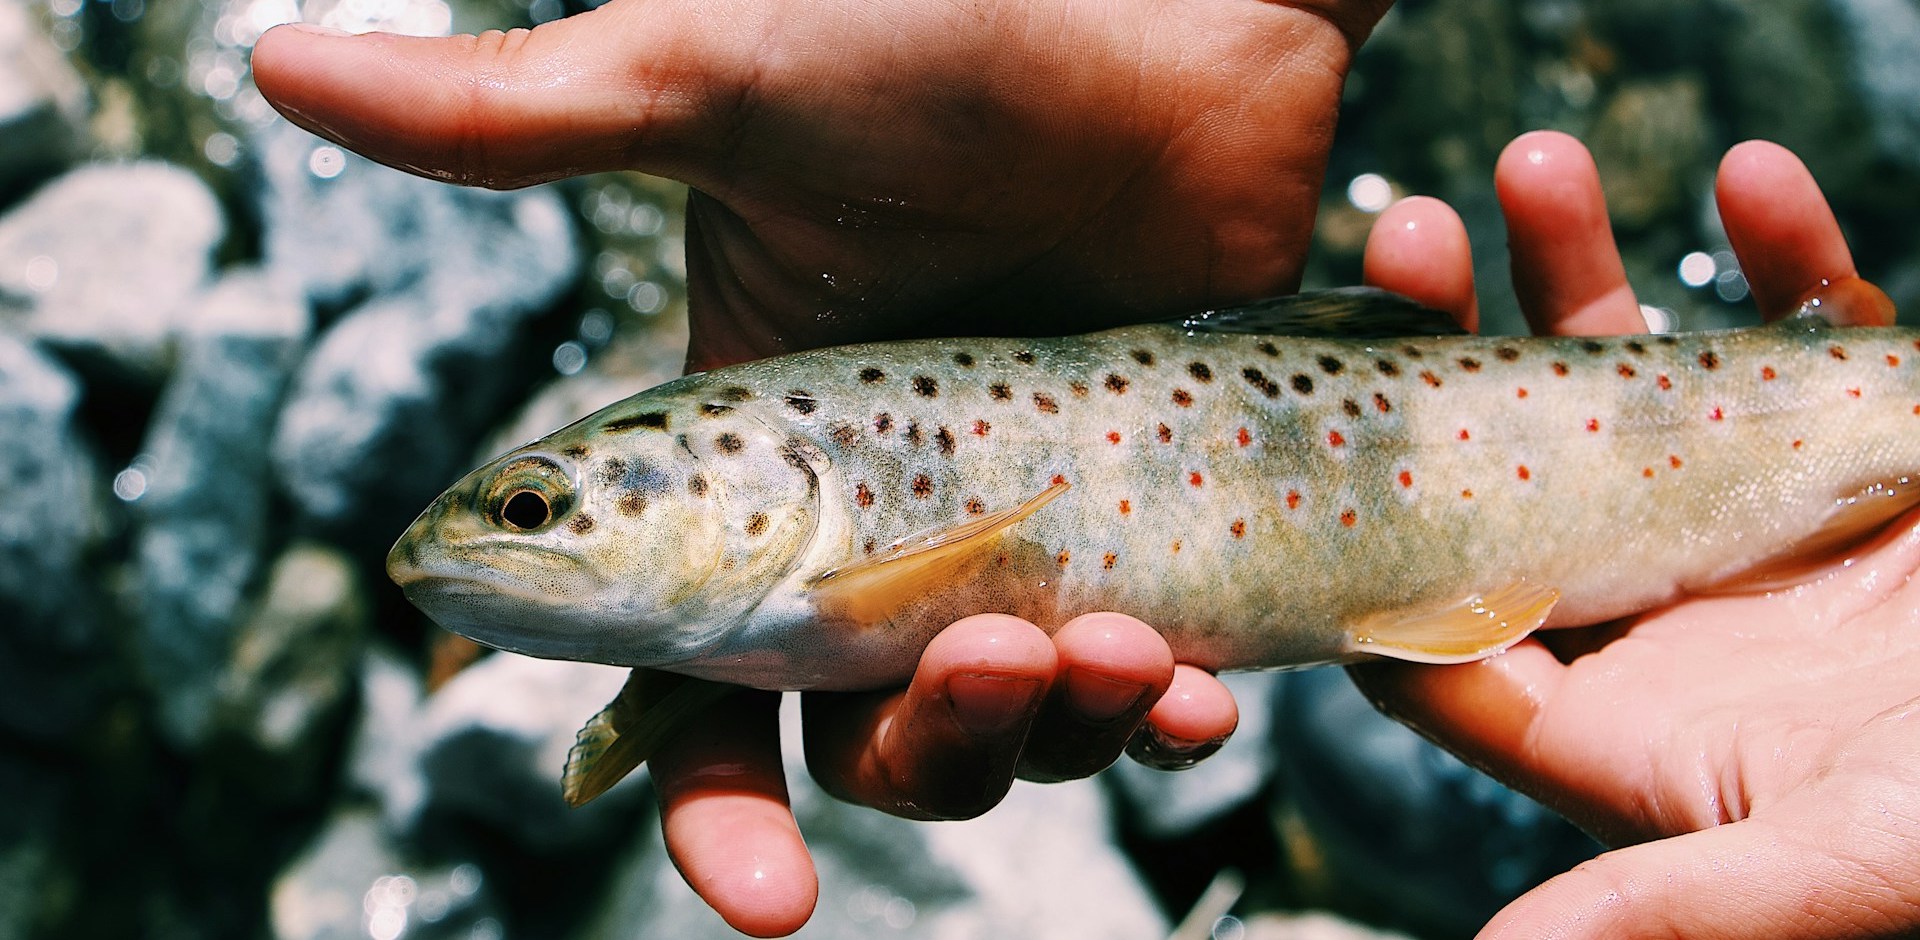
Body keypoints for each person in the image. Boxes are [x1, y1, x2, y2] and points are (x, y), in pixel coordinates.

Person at [252, 5, 1920, 938]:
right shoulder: (731, 610)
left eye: (537, 513)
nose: (483, 549)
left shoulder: (799, 575)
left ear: (756, 481)